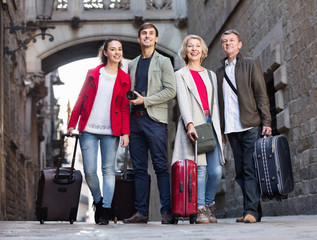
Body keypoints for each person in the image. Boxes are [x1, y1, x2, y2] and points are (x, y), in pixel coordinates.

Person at [67, 39, 131, 225]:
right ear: (105, 52)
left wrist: (125, 132)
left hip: (112, 130)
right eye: (113, 49)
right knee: (89, 171)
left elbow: (125, 107)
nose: (117, 52)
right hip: (89, 129)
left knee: (108, 170)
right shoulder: (93, 74)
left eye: (119, 49)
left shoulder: (125, 78)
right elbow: (81, 98)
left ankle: (106, 210)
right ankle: (98, 200)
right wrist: (73, 123)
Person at [122, 22, 176, 224]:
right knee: (139, 169)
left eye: (151, 34)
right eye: (143, 33)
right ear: (139, 38)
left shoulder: (164, 62)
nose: (147, 36)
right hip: (135, 122)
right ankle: (141, 212)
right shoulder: (132, 63)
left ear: (156, 39)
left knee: (161, 166)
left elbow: (171, 91)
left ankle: (166, 211)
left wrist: (146, 100)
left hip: (155, 121)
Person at [216, 29, 272, 223]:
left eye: (231, 40)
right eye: (224, 41)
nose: (228, 43)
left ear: (239, 44)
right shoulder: (219, 72)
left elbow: (261, 94)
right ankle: (253, 210)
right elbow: (220, 103)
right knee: (240, 171)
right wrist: (222, 128)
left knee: (249, 168)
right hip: (231, 129)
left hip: (250, 125)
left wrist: (267, 122)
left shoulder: (250, 63)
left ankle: (251, 211)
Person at [172, 35, 225, 224]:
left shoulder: (210, 74)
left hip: (211, 125)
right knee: (200, 170)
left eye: (197, 46)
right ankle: (200, 209)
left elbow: (216, 104)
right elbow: (183, 103)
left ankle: (209, 204)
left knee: (217, 170)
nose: (194, 49)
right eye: (190, 46)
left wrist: (221, 130)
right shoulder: (180, 74)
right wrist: (190, 124)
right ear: (185, 51)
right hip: (195, 125)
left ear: (202, 50)